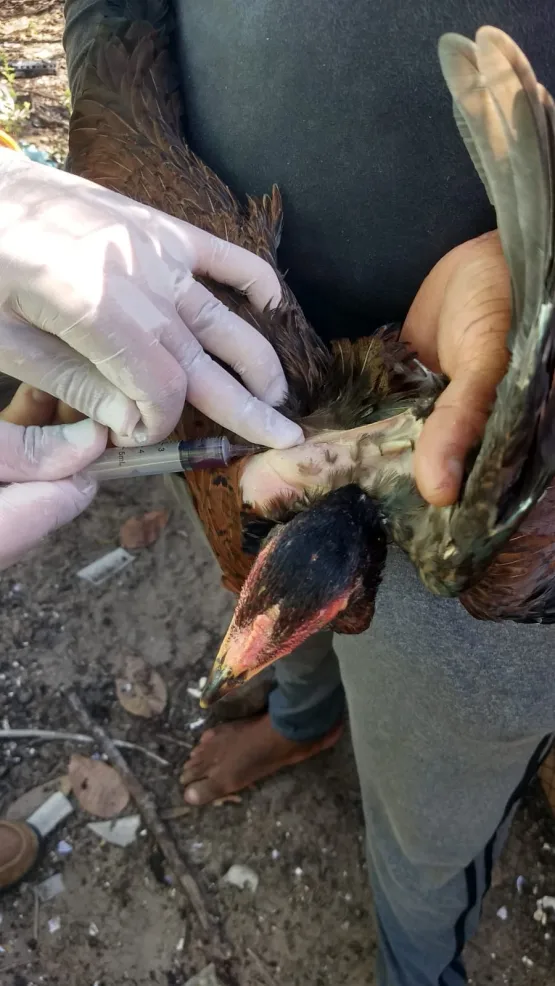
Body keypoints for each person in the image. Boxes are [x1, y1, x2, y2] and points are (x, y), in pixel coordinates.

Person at [1, 2, 554, 983]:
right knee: (259, 562)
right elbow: (110, 19)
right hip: (200, 339)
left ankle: (417, 964)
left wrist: (523, 292)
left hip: (480, 455)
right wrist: (72, 207)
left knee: (431, 817)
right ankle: (303, 717)